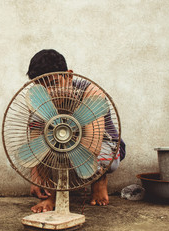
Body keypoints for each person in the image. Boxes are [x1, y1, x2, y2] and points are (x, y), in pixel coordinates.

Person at [26, 49, 126, 212]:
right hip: (61, 141)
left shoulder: (91, 93)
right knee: (43, 146)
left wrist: (62, 156)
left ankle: (99, 179)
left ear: (69, 76)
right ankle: (50, 196)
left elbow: (91, 146)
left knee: (87, 164)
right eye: (42, 88)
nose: (49, 93)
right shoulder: (39, 101)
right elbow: (35, 144)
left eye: (53, 84)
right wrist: (37, 177)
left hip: (101, 142)